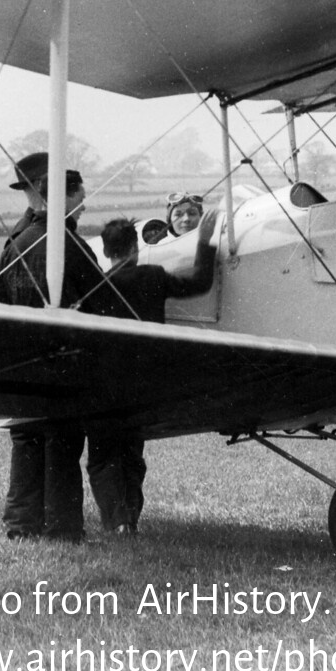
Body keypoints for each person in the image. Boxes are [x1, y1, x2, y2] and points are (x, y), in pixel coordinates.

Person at [79, 209, 220, 535]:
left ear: (107, 251)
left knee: (102, 459)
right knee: (132, 455)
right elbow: (201, 281)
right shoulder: (153, 276)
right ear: (135, 249)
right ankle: (130, 518)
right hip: (144, 384)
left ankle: (118, 522)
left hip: (104, 385)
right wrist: (205, 241)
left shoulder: (96, 289)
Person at [0, 152, 103, 542]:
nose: (84, 202)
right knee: (63, 443)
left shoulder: (16, 239)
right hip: (61, 364)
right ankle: (64, 528)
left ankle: (21, 526)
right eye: (79, 195)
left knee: (27, 442)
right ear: (55, 193)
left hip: (21, 365)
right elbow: (107, 303)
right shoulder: (64, 242)